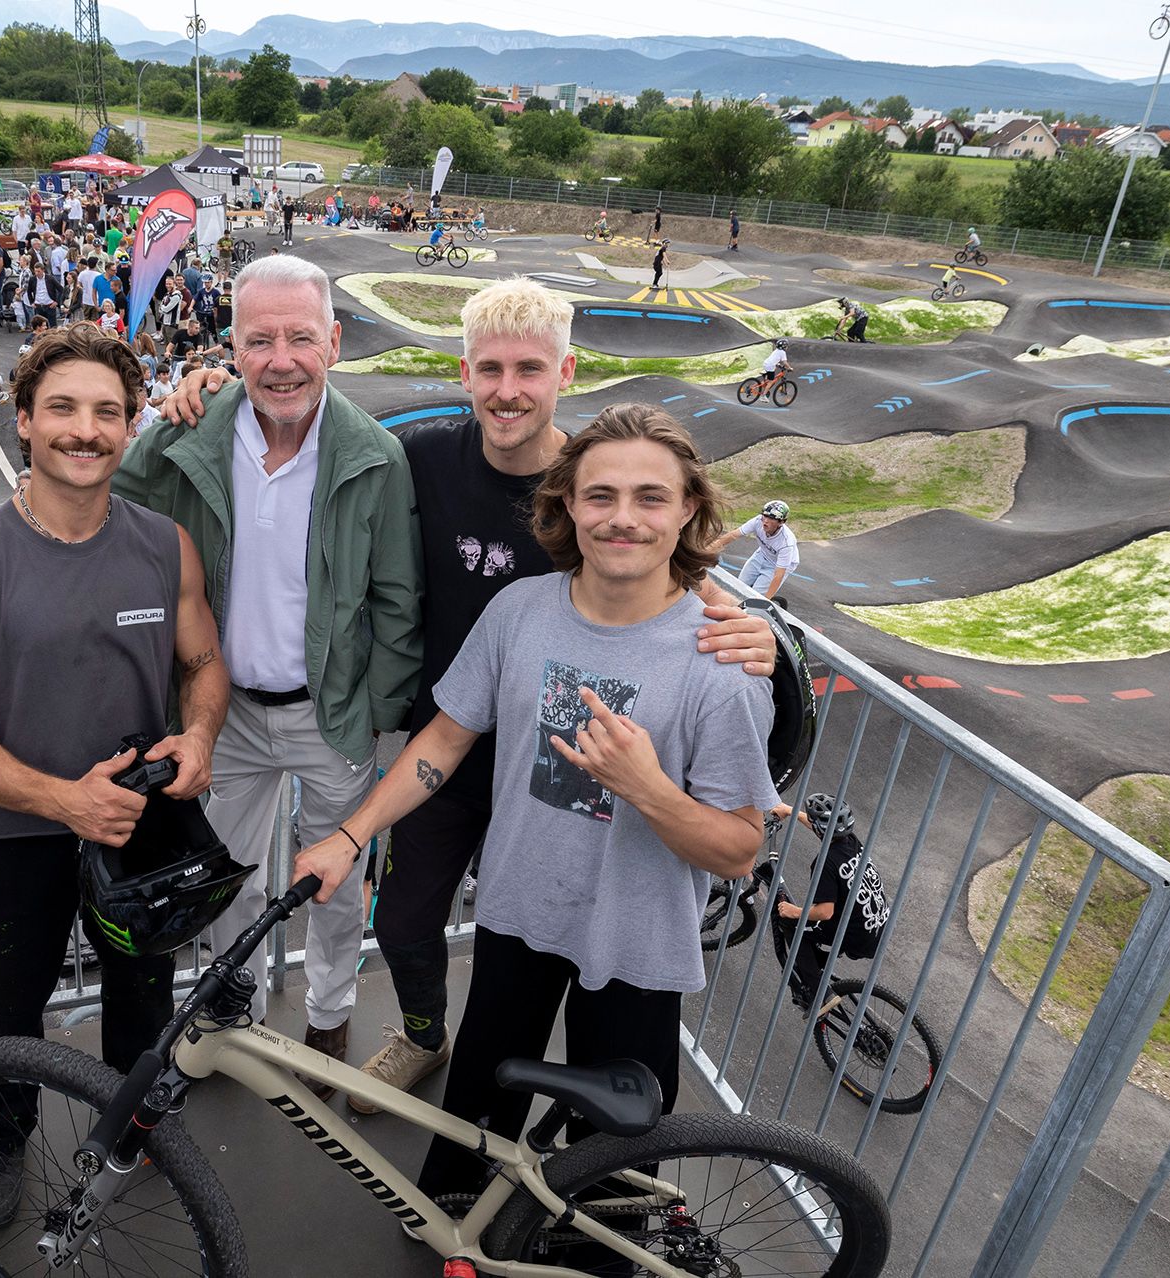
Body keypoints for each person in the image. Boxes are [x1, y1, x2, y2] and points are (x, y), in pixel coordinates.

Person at [162, 279, 781, 1108]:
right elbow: (307, 420)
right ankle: (425, 1033)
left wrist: (740, 616)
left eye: (530, 369)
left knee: (563, 948)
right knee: (407, 920)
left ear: (566, 372)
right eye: (491, 369)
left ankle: (590, 1112)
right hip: (445, 735)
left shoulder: (590, 482)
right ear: (464, 372)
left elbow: (654, 547)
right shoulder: (418, 461)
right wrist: (211, 387)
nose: (509, 390)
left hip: (563, 751)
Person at [295, 403, 775, 1209]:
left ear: (689, 508)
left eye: (650, 498)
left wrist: (647, 788)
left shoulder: (719, 668)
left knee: (614, 1162)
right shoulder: (519, 611)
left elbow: (736, 850)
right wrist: (351, 834)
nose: (623, 519)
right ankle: (452, 1222)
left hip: (634, 945)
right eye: (600, 496)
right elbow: (444, 742)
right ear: (566, 506)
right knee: (474, 1116)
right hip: (518, 914)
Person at [0, 325, 228, 1223]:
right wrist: (59, 798)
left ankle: (135, 1123)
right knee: (7, 1005)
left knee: (144, 991)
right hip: (17, 834)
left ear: (130, 427)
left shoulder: (165, 545)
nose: (86, 430)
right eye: (65, 410)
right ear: (25, 420)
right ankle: (4, 1141)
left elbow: (202, 665)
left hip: (138, 825)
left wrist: (197, 739)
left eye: (108, 413)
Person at [112, 254, 423, 1084]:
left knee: (336, 880)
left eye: (299, 338)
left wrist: (378, 718)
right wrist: (163, 413)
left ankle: (328, 1017)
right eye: (259, 341)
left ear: (335, 341)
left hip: (333, 715)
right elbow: (116, 496)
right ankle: (234, 1016)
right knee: (230, 879)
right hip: (226, 711)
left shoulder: (375, 455)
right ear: (232, 349)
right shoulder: (194, 433)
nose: (280, 359)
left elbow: (397, 600)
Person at [770, 794, 886, 1012]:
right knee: (811, 926)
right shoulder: (850, 842)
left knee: (791, 925)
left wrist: (794, 911)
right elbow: (821, 828)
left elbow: (825, 912)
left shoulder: (825, 863)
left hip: (856, 933)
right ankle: (817, 963)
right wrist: (788, 810)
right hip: (876, 924)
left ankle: (820, 994)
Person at [710, 499, 798, 598]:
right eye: (765, 516)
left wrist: (766, 599)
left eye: (772, 518)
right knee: (739, 587)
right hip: (762, 553)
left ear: (781, 522)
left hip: (776, 565)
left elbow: (779, 575)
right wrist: (708, 549)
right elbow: (733, 535)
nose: (765, 521)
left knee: (754, 597)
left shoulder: (786, 543)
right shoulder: (758, 521)